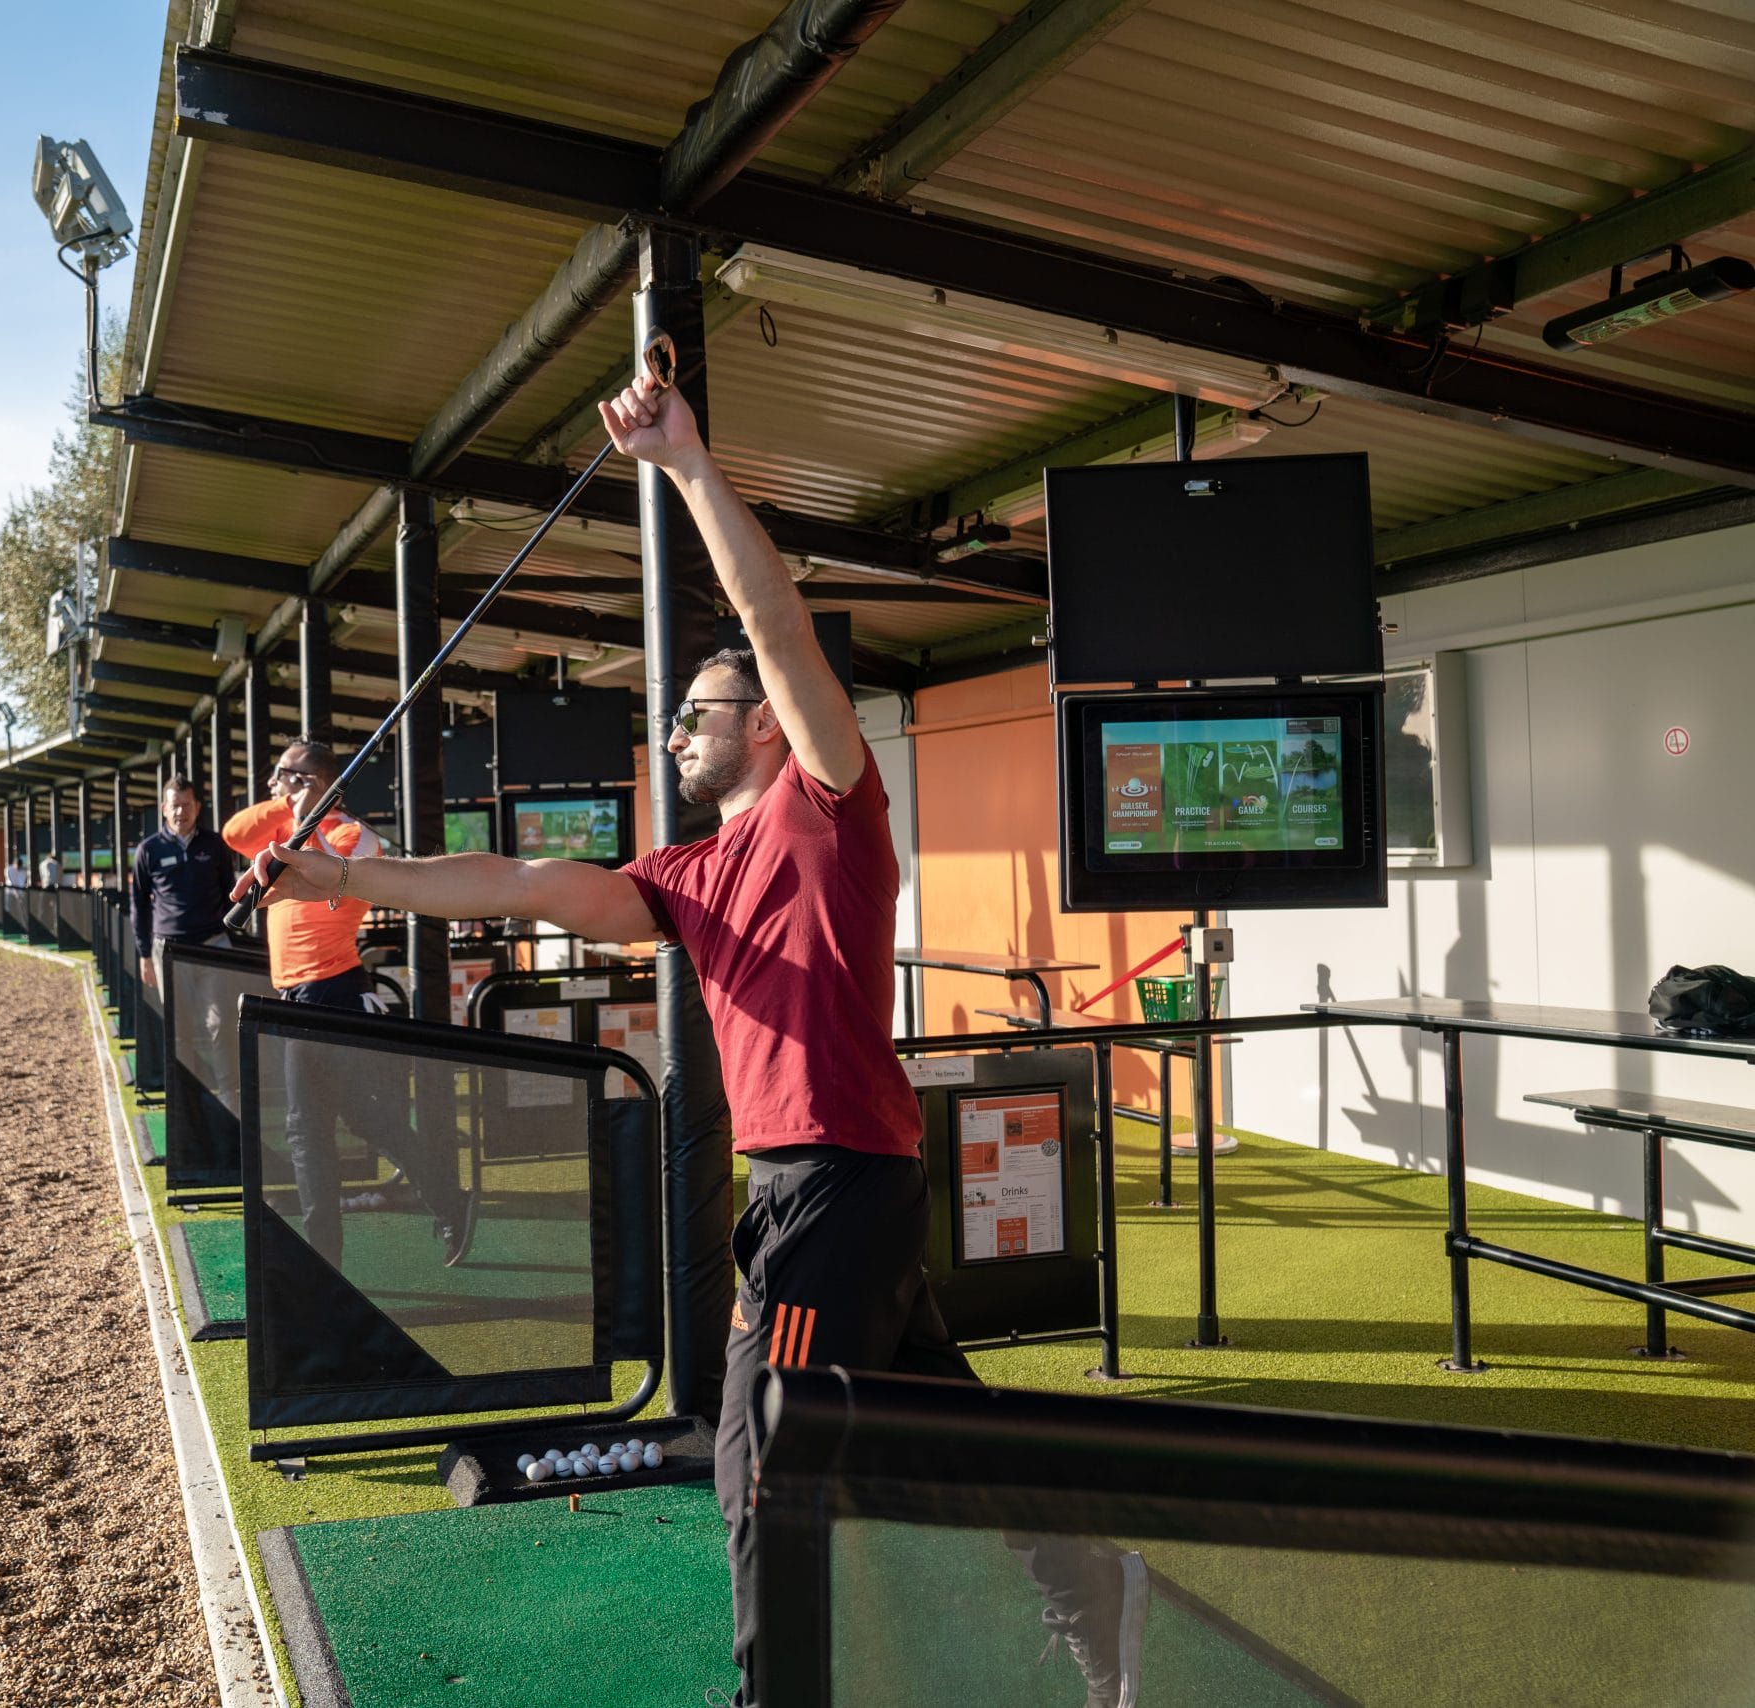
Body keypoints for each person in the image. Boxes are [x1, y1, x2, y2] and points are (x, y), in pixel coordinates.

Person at [239, 370, 1145, 1707]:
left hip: (834, 1187)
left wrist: (684, 468)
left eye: (696, 715)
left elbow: (775, 625)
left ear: (763, 729)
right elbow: (516, 883)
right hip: (821, 1194)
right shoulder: (689, 874)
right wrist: (339, 884)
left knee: (758, 1467)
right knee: (949, 1438)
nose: (673, 732)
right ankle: (1090, 1574)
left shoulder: (829, 808)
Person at [223, 741, 472, 1268]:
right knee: (305, 1129)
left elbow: (347, 867)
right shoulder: (281, 828)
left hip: (336, 991)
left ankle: (451, 1204)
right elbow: (233, 832)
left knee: (369, 1120)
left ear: (309, 779)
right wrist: (292, 804)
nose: (270, 785)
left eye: (280, 775)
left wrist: (309, 807)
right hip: (293, 996)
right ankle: (324, 1260)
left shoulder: (351, 834)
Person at [130, 775, 235, 1000]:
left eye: (186, 805)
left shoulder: (215, 844)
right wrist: (145, 954)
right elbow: (139, 904)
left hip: (214, 944)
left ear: (197, 807)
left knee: (220, 1019)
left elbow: (230, 891)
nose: (180, 812)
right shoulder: (148, 850)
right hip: (168, 949)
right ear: (164, 809)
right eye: (174, 806)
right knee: (179, 1025)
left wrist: (226, 927)